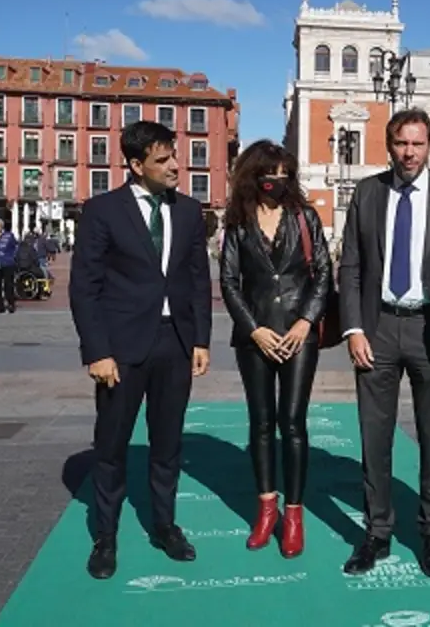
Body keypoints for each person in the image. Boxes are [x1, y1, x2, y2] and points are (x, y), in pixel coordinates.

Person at [337, 108, 430, 577]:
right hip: (376, 329)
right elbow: (352, 265)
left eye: (417, 144)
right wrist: (354, 327)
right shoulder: (367, 192)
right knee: (374, 438)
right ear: (388, 144)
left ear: (429, 144)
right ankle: (376, 533)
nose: (409, 153)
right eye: (401, 144)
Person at [69, 120, 212, 580]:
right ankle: (105, 536)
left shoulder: (189, 212)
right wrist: (97, 351)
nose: (176, 166)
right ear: (135, 165)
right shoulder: (102, 211)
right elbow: (84, 287)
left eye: (175, 155)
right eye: (163, 159)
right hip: (121, 350)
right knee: (111, 445)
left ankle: (165, 526)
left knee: (168, 444)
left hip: (174, 345)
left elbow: (197, 279)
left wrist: (201, 339)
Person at [219, 140, 332, 558]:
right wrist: (253, 329)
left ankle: (294, 515)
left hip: (300, 335)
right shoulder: (239, 222)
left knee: (293, 422)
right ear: (254, 175)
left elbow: (323, 273)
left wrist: (306, 321)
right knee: (262, 422)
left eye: (286, 175)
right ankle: (265, 510)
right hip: (256, 336)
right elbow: (229, 281)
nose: (278, 182)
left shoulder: (305, 216)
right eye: (271, 175)